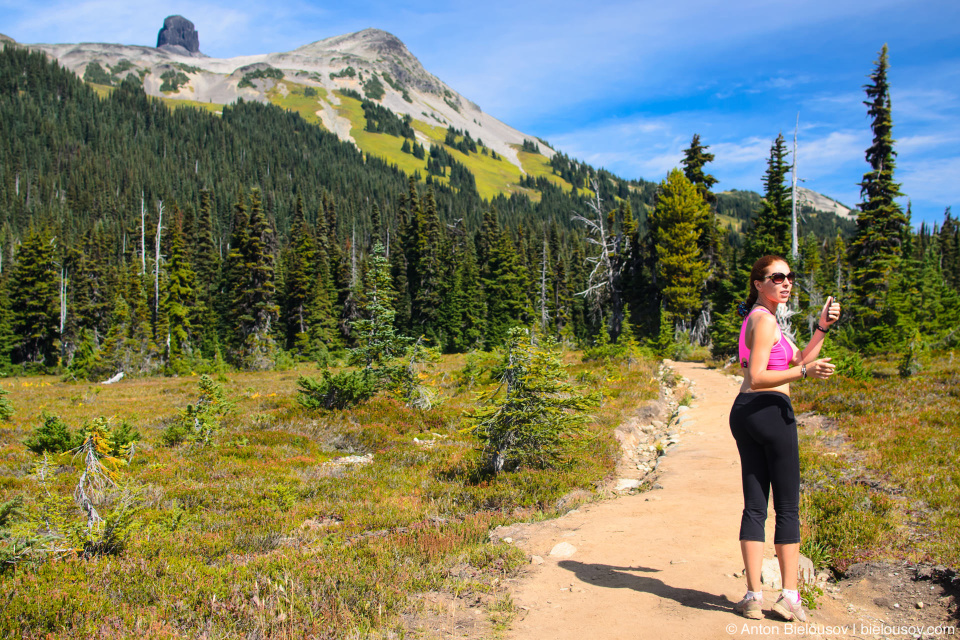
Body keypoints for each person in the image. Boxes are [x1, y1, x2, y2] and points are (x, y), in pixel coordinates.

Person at [729, 255, 840, 622]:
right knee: (788, 506)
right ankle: (789, 596)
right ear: (758, 284)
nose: (786, 282)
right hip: (770, 413)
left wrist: (821, 329)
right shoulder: (763, 322)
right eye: (777, 277)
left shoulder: (761, 319)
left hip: (745, 414)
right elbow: (761, 376)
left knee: (755, 505)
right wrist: (805, 372)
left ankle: (752, 596)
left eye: (789, 276)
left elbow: (798, 358)